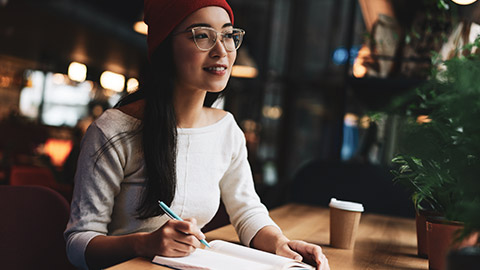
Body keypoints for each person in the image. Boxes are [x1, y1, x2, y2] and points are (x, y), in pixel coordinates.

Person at [64, 1, 330, 269]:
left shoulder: (226, 129)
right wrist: (143, 243)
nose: (221, 51)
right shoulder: (113, 130)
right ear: (166, 46)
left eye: (228, 35)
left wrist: (280, 243)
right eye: (202, 35)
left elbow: (247, 210)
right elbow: (78, 244)